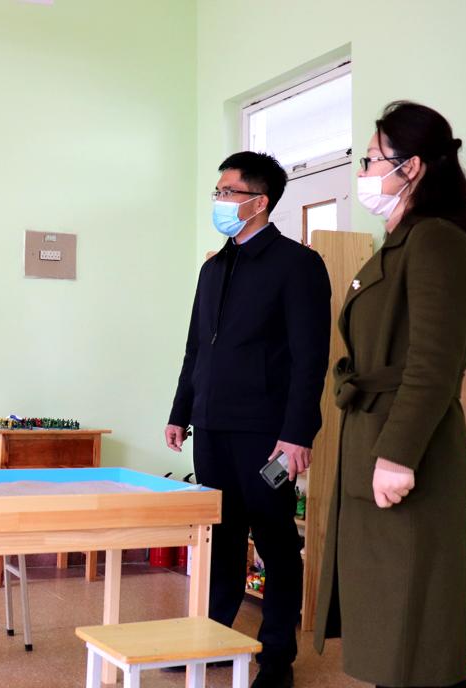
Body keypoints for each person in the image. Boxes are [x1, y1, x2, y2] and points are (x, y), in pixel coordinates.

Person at [314, 102, 466, 688]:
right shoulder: (401, 241)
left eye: (370, 160)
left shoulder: (436, 241)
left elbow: (434, 364)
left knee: (416, 634)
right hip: (377, 440)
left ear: (411, 167)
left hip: (408, 454)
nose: (363, 172)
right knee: (392, 629)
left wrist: (398, 454)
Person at [166, 151, 331, 688]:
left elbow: (310, 358)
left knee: (276, 540)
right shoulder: (213, 267)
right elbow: (196, 348)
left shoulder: (298, 265)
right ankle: (213, 639)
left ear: (258, 202)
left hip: (267, 435)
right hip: (212, 427)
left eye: (227, 192)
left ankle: (277, 659)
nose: (218, 200)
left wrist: (297, 434)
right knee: (222, 536)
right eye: (217, 192)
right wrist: (181, 412)